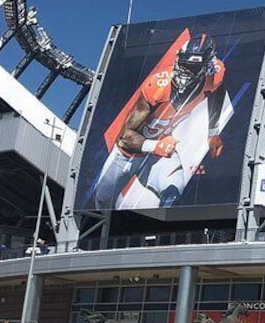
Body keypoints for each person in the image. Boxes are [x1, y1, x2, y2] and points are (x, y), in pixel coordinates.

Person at [94, 33, 228, 209]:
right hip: (128, 154)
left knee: (173, 193)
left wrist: (213, 132)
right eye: (183, 64)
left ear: (206, 69)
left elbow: (218, 91)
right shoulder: (159, 84)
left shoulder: (213, 77)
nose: (184, 72)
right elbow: (125, 137)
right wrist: (154, 146)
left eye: (192, 68)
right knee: (102, 202)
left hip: (162, 151)